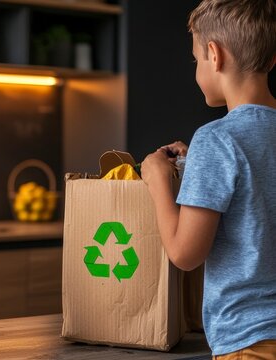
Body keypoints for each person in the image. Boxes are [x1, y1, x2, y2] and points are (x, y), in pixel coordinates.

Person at [140, 0, 276, 358]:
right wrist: (196, 163)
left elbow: (185, 254)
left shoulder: (216, 139)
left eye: (196, 58)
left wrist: (157, 182)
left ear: (214, 56)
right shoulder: (217, 147)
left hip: (249, 342)